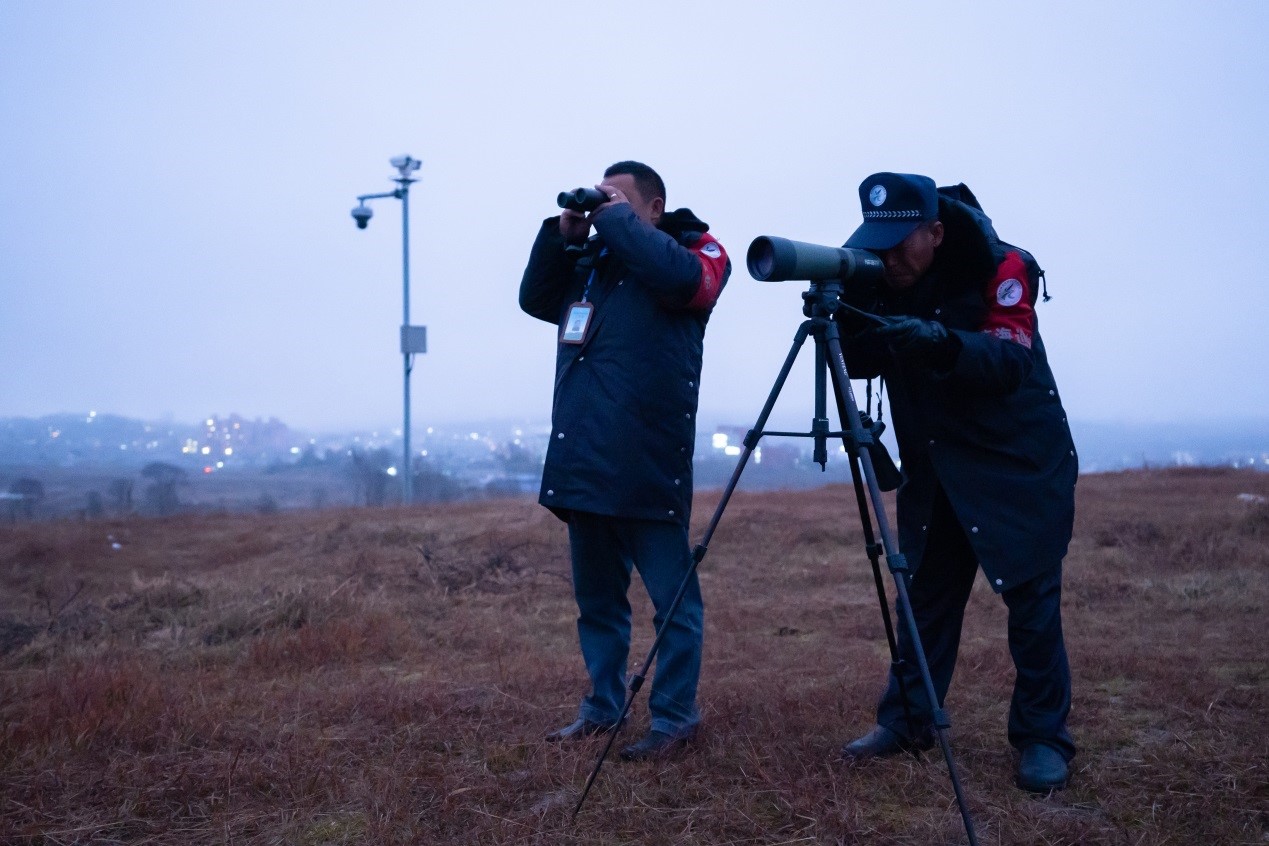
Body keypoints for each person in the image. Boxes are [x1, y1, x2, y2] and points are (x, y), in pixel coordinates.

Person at [836, 172, 1078, 792]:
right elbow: (863, 359)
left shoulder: (1005, 267)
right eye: (877, 242)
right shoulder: (881, 277)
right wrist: (838, 311)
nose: (888, 257)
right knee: (927, 600)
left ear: (937, 232)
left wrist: (941, 343)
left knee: (1031, 607)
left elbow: (1009, 358)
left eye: (901, 243)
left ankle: (1044, 739)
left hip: (1017, 465)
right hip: (938, 465)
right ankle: (909, 720)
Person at [519, 161, 730, 761]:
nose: (603, 207)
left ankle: (674, 719)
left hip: (645, 464)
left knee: (674, 604)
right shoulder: (592, 268)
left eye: (618, 198)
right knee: (599, 604)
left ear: (654, 208)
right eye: (600, 198)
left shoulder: (693, 253)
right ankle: (602, 708)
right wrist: (564, 235)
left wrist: (612, 222)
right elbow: (534, 299)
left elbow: (684, 280)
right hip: (584, 463)